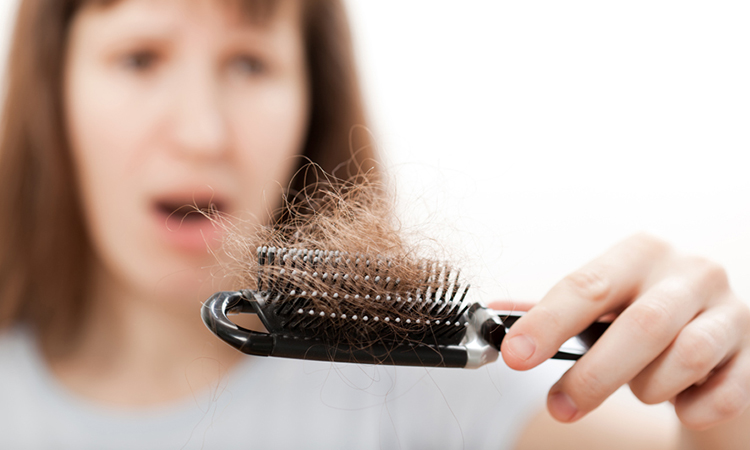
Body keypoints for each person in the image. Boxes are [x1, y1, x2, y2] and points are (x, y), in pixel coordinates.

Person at [0, 0, 748, 448]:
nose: (201, 132)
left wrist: (724, 418)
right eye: (138, 57)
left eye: (251, 63)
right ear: (52, 92)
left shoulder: (419, 389)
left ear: (311, 102)